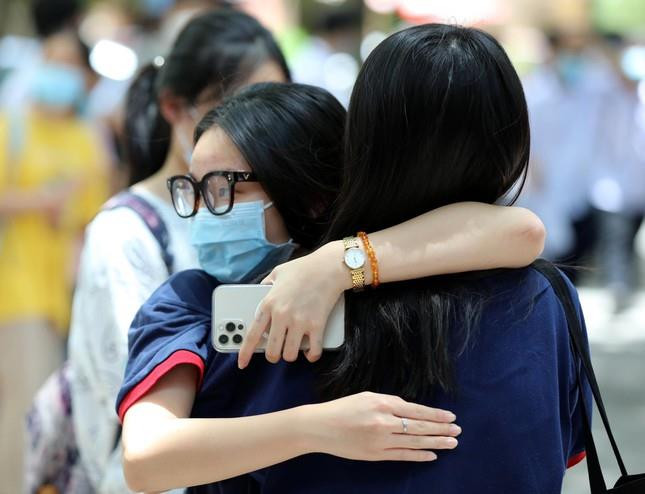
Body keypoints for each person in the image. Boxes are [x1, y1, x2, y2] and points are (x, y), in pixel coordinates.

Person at [116, 75, 552, 492]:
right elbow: (145, 459)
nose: (201, 211)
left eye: (222, 189)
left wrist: (335, 266)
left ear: (310, 195)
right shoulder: (189, 300)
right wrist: (315, 428)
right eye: (193, 190)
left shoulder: (378, 276)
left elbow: (521, 232)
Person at [66, 9, 290, 494]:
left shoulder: (289, 227)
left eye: (274, 102)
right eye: (241, 102)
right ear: (174, 107)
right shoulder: (126, 233)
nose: (258, 123)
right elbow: (146, 428)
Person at [0, 29, 109, 492]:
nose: (56, 71)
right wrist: (40, 202)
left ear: (85, 77)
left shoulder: (88, 138)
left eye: (67, 63)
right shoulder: (11, 126)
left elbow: (92, 219)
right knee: (22, 409)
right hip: (14, 288)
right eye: (50, 59)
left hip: (61, 296)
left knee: (45, 409)